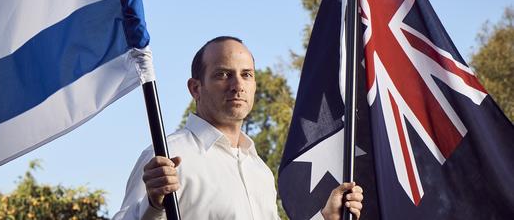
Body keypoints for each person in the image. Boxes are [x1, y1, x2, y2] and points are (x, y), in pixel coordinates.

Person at [113, 36, 363, 220]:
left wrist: (325, 217)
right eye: (223, 74)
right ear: (195, 88)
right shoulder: (167, 159)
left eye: (246, 75)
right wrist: (153, 204)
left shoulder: (260, 171)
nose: (237, 85)